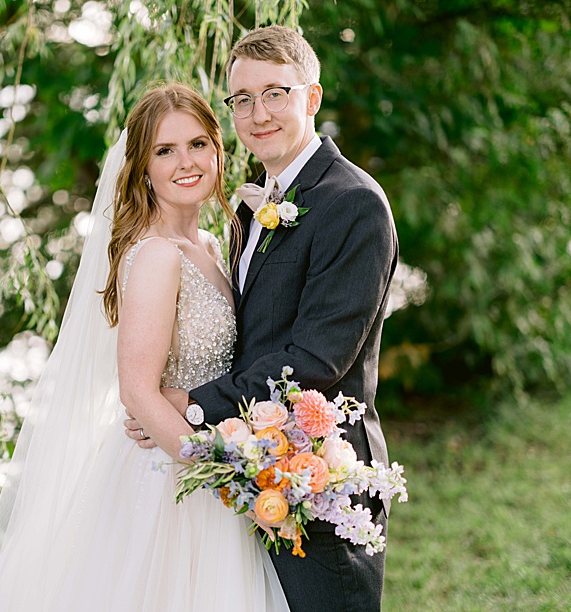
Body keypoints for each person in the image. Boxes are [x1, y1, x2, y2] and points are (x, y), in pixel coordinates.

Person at [0, 83, 288, 611]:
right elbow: (137, 393)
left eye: (197, 144)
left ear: (217, 149)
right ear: (142, 167)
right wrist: (223, 476)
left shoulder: (211, 245)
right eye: (164, 151)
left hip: (215, 455)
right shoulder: (159, 256)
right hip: (172, 475)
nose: (185, 162)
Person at [125, 26, 398, 611]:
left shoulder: (353, 202)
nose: (258, 113)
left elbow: (315, 361)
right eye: (242, 99)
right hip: (250, 475)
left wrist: (192, 405)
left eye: (275, 93)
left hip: (320, 477)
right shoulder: (251, 208)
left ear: (313, 97)